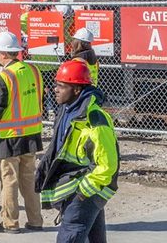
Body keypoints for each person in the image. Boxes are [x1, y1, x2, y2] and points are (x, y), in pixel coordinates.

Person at [36, 58, 119, 243]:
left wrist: (83, 192)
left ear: (77, 89)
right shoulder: (67, 110)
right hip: (80, 188)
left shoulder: (94, 119)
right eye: (56, 85)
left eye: (61, 86)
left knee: (70, 236)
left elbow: (108, 164)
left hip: (86, 190)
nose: (55, 90)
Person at [0, 31, 45, 233]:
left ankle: (10, 223)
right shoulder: (34, 70)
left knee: (9, 180)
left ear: (2, 53)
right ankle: (36, 220)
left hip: (10, 137)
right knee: (29, 179)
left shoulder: (4, 76)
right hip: (32, 134)